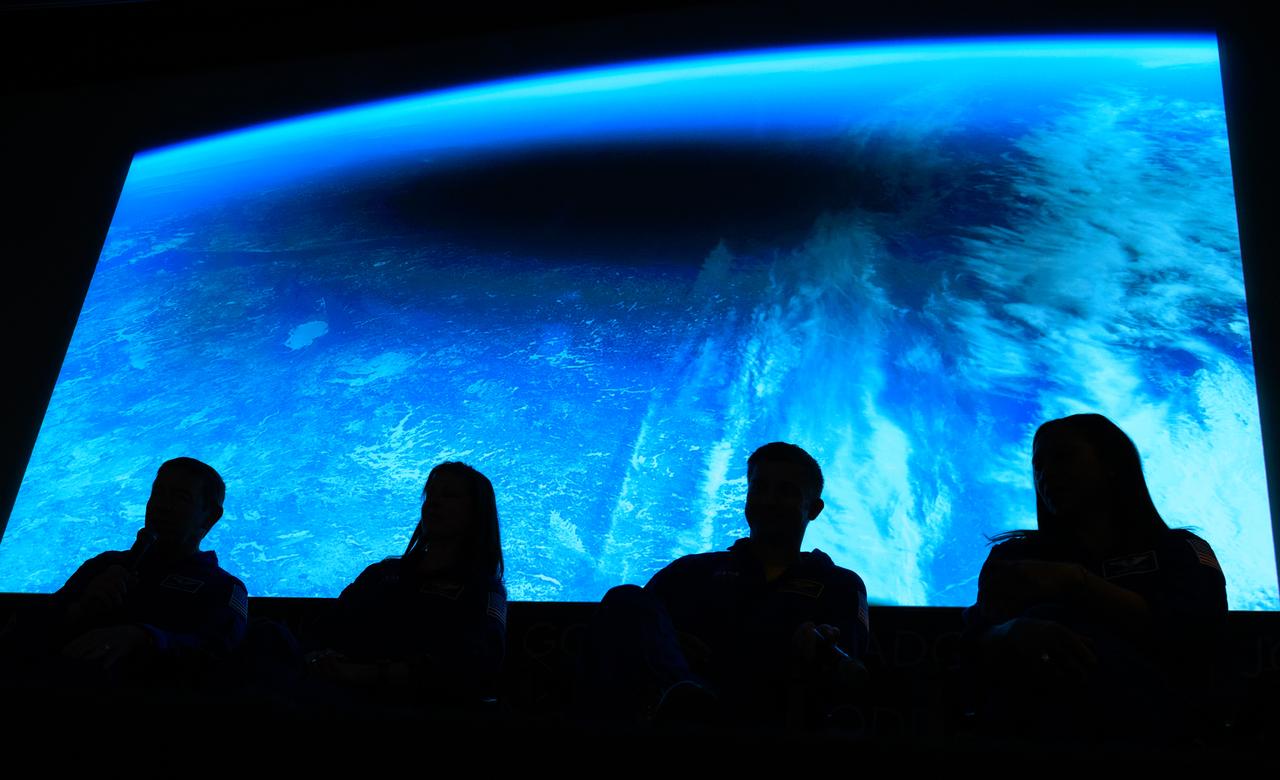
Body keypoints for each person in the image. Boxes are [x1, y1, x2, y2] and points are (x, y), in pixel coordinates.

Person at [965, 414, 1228, 740]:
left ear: (1111, 464)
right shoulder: (1012, 558)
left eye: (1063, 457)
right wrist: (1013, 632)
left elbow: (1200, 633)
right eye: (1038, 464)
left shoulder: (1182, 550)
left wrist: (1078, 583)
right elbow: (972, 641)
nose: (1046, 473)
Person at [582, 442, 870, 728]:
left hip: (776, 725)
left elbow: (851, 677)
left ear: (814, 509)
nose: (769, 500)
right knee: (625, 599)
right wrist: (669, 648)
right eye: (760, 488)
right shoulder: (689, 573)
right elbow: (632, 636)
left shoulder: (838, 585)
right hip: (677, 727)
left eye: (786, 491)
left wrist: (810, 656)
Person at [305, 461, 507, 705]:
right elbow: (324, 629)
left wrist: (367, 674)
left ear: (476, 513)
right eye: (431, 495)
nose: (433, 503)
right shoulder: (382, 574)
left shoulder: (482, 590)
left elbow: (475, 666)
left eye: (449, 495)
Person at [29, 457, 248, 678]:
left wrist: (144, 637)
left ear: (210, 517)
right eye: (158, 493)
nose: (162, 505)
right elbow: (28, 628)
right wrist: (81, 607)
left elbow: (216, 649)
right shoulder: (104, 565)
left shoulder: (224, 587)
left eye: (180, 497)